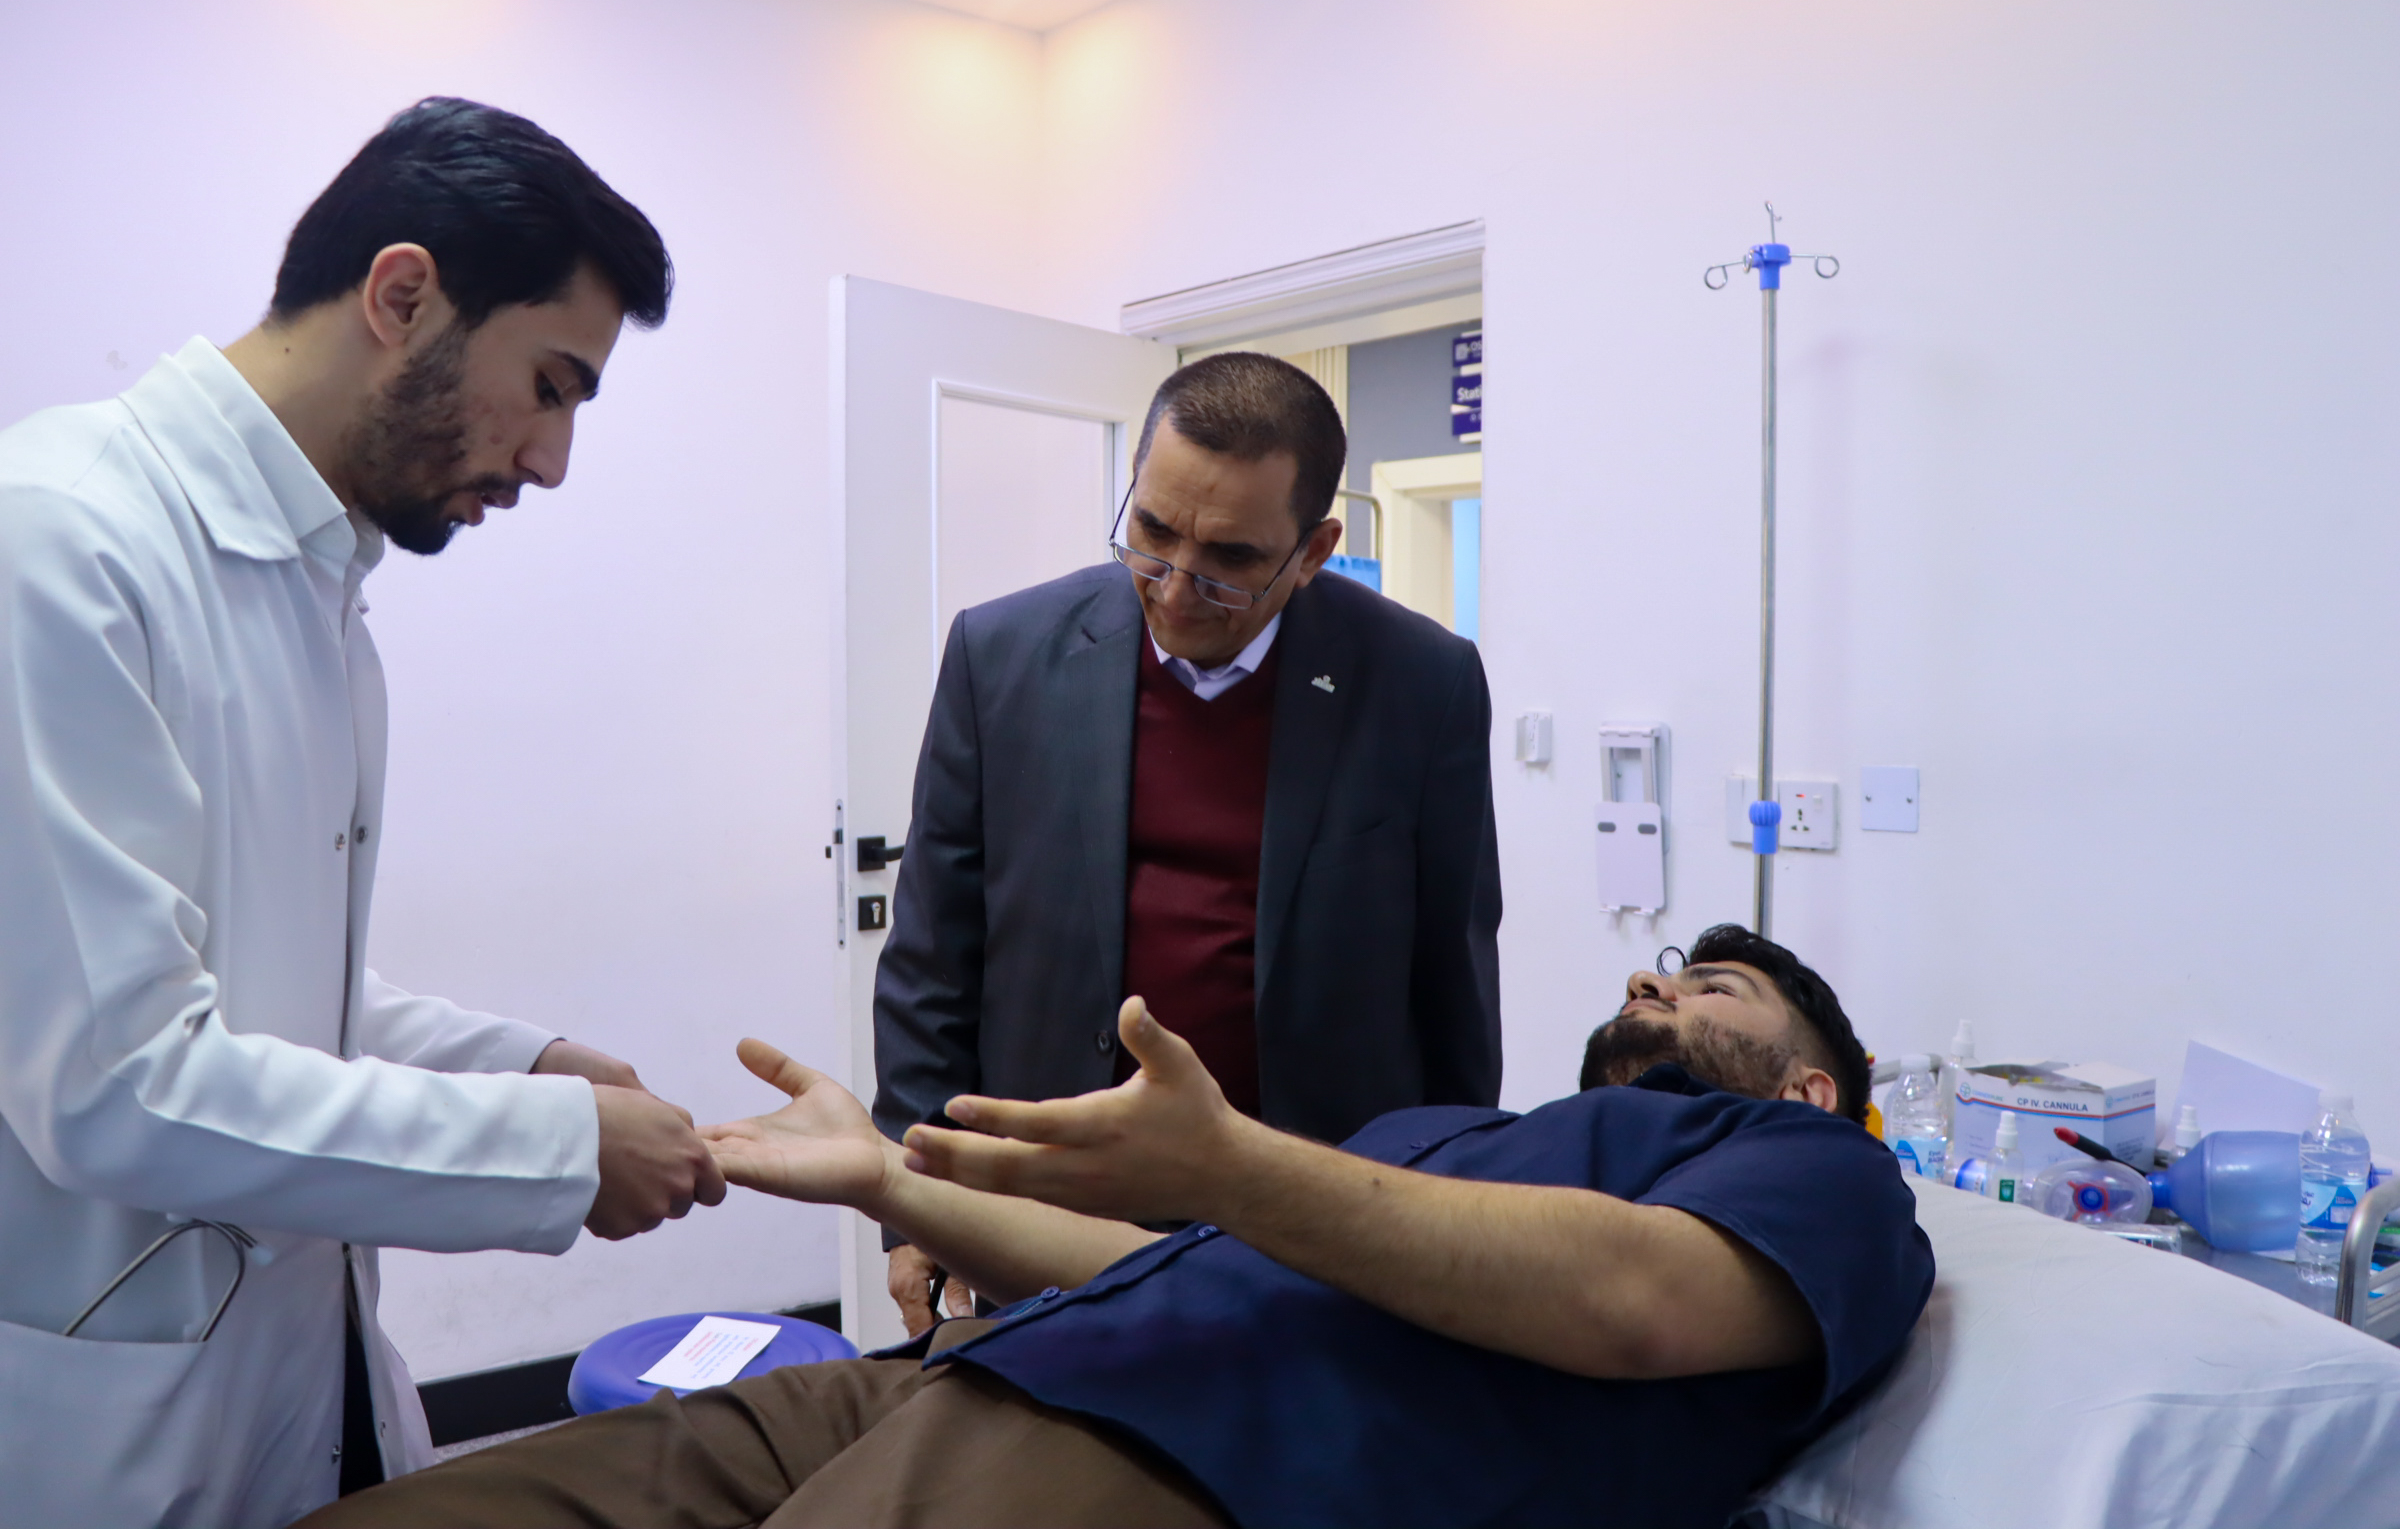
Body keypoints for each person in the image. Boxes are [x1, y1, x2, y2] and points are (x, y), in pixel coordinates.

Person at [0, 98, 725, 1529]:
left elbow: (264, 983)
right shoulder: (60, 545)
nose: (552, 460)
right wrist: (559, 1149)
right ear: (403, 296)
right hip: (117, 1426)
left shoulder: (320, 587)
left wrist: (524, 1062)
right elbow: (117, 1082)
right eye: (552, 385)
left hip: (302, 1370)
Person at [304, 925, 1933, 1529]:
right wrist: (887, 1183)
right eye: (1659, 968)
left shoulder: (1823, 1175)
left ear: (1810, 1084)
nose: (1653, 979)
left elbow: (1639, 1308)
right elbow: (1175, 1273)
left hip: (1194, 1464)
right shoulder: (1467, 1143)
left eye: (1714, 984)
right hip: (976, 1373)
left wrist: (1233, 1167)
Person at [875, 351, 1503, 1326]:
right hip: (1046, 1196)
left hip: (1314, 1207)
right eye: (1153, 535)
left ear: (1313, 550)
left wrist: (1451, 1219)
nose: (1174, 591)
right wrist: (917, 1194)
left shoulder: (1422, 683)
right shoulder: (1000, 656)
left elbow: (1451, 985)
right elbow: (932, 956)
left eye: (1230, 563)